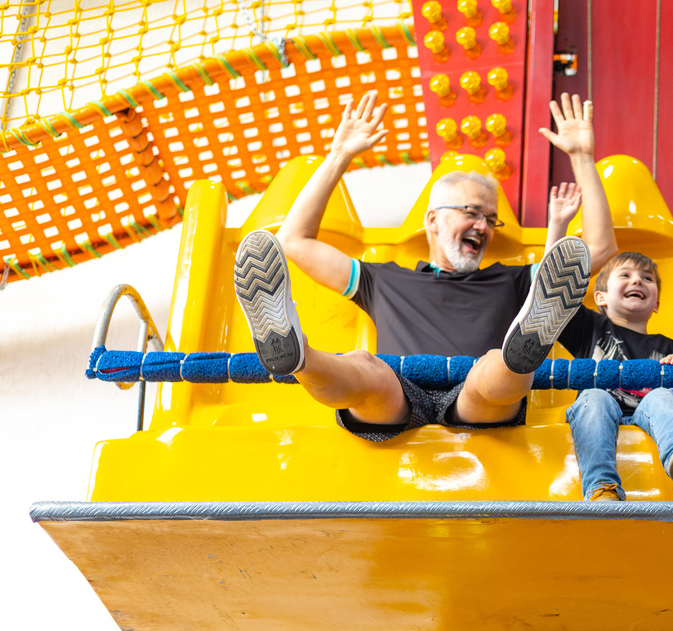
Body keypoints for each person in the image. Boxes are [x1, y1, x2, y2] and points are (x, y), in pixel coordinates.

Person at [232, 90, 616, 442]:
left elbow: (597, 248)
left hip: (478, 406)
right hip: (397, 397)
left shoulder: (510, 281)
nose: (483, 226)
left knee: (493, 368)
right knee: (367, 369)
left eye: (490, 219)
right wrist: (339, 156)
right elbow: (293, 241)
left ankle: (524, 349)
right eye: (471, 211)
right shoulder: (381, 279)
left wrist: (582, 157)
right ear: (432, 220)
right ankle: (295, 354)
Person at [546, 183, 673, 502]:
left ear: (657, 302)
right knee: (594, 396)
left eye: (647, 279)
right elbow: (550, 293)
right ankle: (601, 487)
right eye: (626, 276)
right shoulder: (588, 326)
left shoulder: (666, 344)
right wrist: (558, 225)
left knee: (662, 395)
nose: (637, 281)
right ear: (600, 297)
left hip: (646, 412)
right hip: (597, 411)